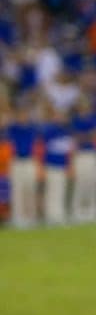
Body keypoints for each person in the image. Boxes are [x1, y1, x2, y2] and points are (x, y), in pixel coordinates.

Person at [6, 98, 38, 228]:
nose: (23, 116)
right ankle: (17, 217)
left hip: (29, 160)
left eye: (25, 113)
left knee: (29, 188)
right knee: (17, 189)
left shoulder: (32, 128)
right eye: (20, 113)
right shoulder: (12, 128)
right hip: (17, 161)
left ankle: (30, 217)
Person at [70, 94, 96, 222]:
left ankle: (93, 210)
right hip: (80, 154)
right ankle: (77, 211)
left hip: (91, 153)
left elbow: (95, 135)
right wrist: (86, 136)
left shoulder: (93, 118)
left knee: (92, 182)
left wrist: (85, 136)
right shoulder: (75, 120)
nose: (83, 107)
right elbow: (76, 137)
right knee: (80, 183)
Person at [41, 99, 72, 226]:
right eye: (58, 115)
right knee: (52, 191)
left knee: (61, 191)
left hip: (62, 166)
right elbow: (44, 148)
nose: (61, 118)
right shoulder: (48, 130)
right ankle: (50, 216)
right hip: (51, 165)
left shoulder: (66, 130)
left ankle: (59, 215)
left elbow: (67, 149)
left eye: (63, 116)